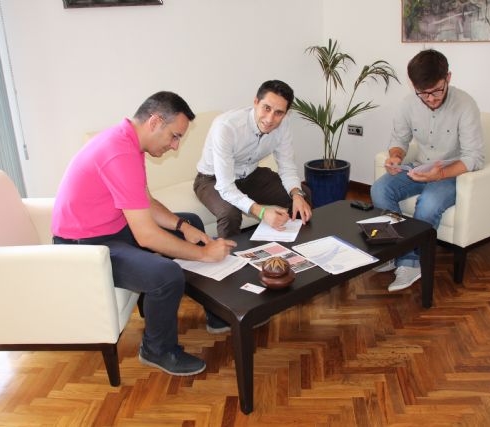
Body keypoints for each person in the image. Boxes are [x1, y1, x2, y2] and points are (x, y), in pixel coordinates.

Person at [52, 91, 236, 376]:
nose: (175, 146)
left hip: (109, 228)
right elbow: (146, 237)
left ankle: (215, 313)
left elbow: (145, 202)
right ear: (154, 122)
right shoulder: (119, 152)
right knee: (166, 275)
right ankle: (156, 349)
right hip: (84, 246)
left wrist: (182, 226)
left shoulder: (129, 142)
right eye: (174, 136)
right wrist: (204, 254)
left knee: (193, 224)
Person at [193, 80, 312, 333]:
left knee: (303, 196)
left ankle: (287, 268)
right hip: (212, 180)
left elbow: (287, 167)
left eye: (279, 112)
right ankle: (223, 304)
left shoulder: (282, 125)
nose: (270, 119)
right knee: (230, 214)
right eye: (266, 108)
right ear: (255, 102)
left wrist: (297, 193)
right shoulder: (226, 126)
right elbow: (226, 187)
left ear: (285, 113)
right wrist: (261, 211)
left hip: (250, 175)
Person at [370, 49, 484, 292]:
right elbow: (399, 140)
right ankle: (393, 250)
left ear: (448, 78)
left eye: (437, 91)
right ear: (414, 86)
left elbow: (474, 157)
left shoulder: (465, 105)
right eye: (423, 93)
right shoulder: (407, 104)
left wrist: (439, 175)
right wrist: (395, 157)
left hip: (453, 173)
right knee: (380, 189)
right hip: (420, 167)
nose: (431, 99)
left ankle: (411, 262)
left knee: (429, 203)